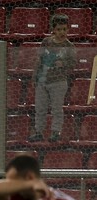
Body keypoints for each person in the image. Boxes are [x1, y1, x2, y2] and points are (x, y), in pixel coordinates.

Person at [28, 14, 76, 143]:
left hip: (59, 82)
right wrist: (34, 77)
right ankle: (39, 132)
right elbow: (39, 60)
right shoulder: (46, 42)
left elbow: (73, 63)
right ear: (53, 30)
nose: (62, 32)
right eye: (59, 29)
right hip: (42, 80)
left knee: (56, 108)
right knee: (40, 108)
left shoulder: (69, 46)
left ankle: (55, 132)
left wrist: (63, 64)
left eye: (65, 29)